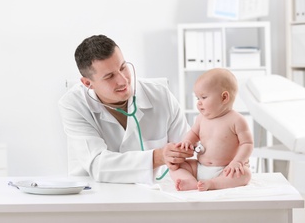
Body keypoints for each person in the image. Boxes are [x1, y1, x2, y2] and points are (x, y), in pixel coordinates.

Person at [58, 34, 194, 184]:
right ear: (87, 83)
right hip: (96, 194)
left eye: (123, 67)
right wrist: (159, 157)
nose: (123, 80)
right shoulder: (74, 104)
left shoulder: (161, 96)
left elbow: (189, 152)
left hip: (156, 192)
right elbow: (98, 165)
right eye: (109, 76)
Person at [169, 68, 254, 191]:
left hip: (226, 169)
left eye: (203, 97)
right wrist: (187, 141)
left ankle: (213, 184)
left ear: (224, 98)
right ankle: (191, 182)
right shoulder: (201, 118)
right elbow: (193, 133)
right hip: (199, 166)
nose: (199, 103)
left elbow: (247, 144)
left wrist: (238, 162)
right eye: (198, 98)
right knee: (175, 166)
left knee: (245, 175)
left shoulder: (237, 120)